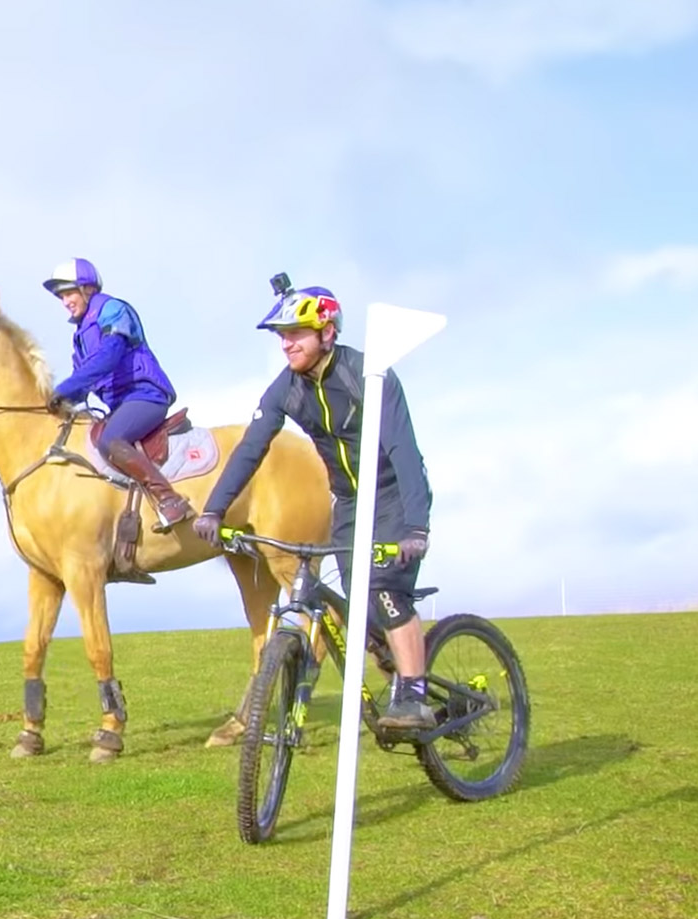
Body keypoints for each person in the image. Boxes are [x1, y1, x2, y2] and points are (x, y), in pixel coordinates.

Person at [192, 282, 436, 729]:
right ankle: (395, 654)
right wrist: (214, 509)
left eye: (296, 333)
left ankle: (415, 696)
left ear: (326, 333)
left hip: (393, 495)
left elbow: (404, 451)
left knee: (383, 590)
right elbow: (251, 448)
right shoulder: (286, 388)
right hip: (347, 501)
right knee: (357, 603)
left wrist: (416, 528)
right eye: (282, 335)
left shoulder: (365, 374)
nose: (286, 344)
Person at [42, 258, 196, 538]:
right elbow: (84, 379)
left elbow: (109, 354)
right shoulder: (80, 336)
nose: (65, 302)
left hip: (146, 395)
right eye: (61, 297)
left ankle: (169, 500)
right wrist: (59, 402)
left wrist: (63, 389)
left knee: (110, 440)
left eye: (68, 293)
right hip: (121, 404)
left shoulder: (112, 309)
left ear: (87, 289)